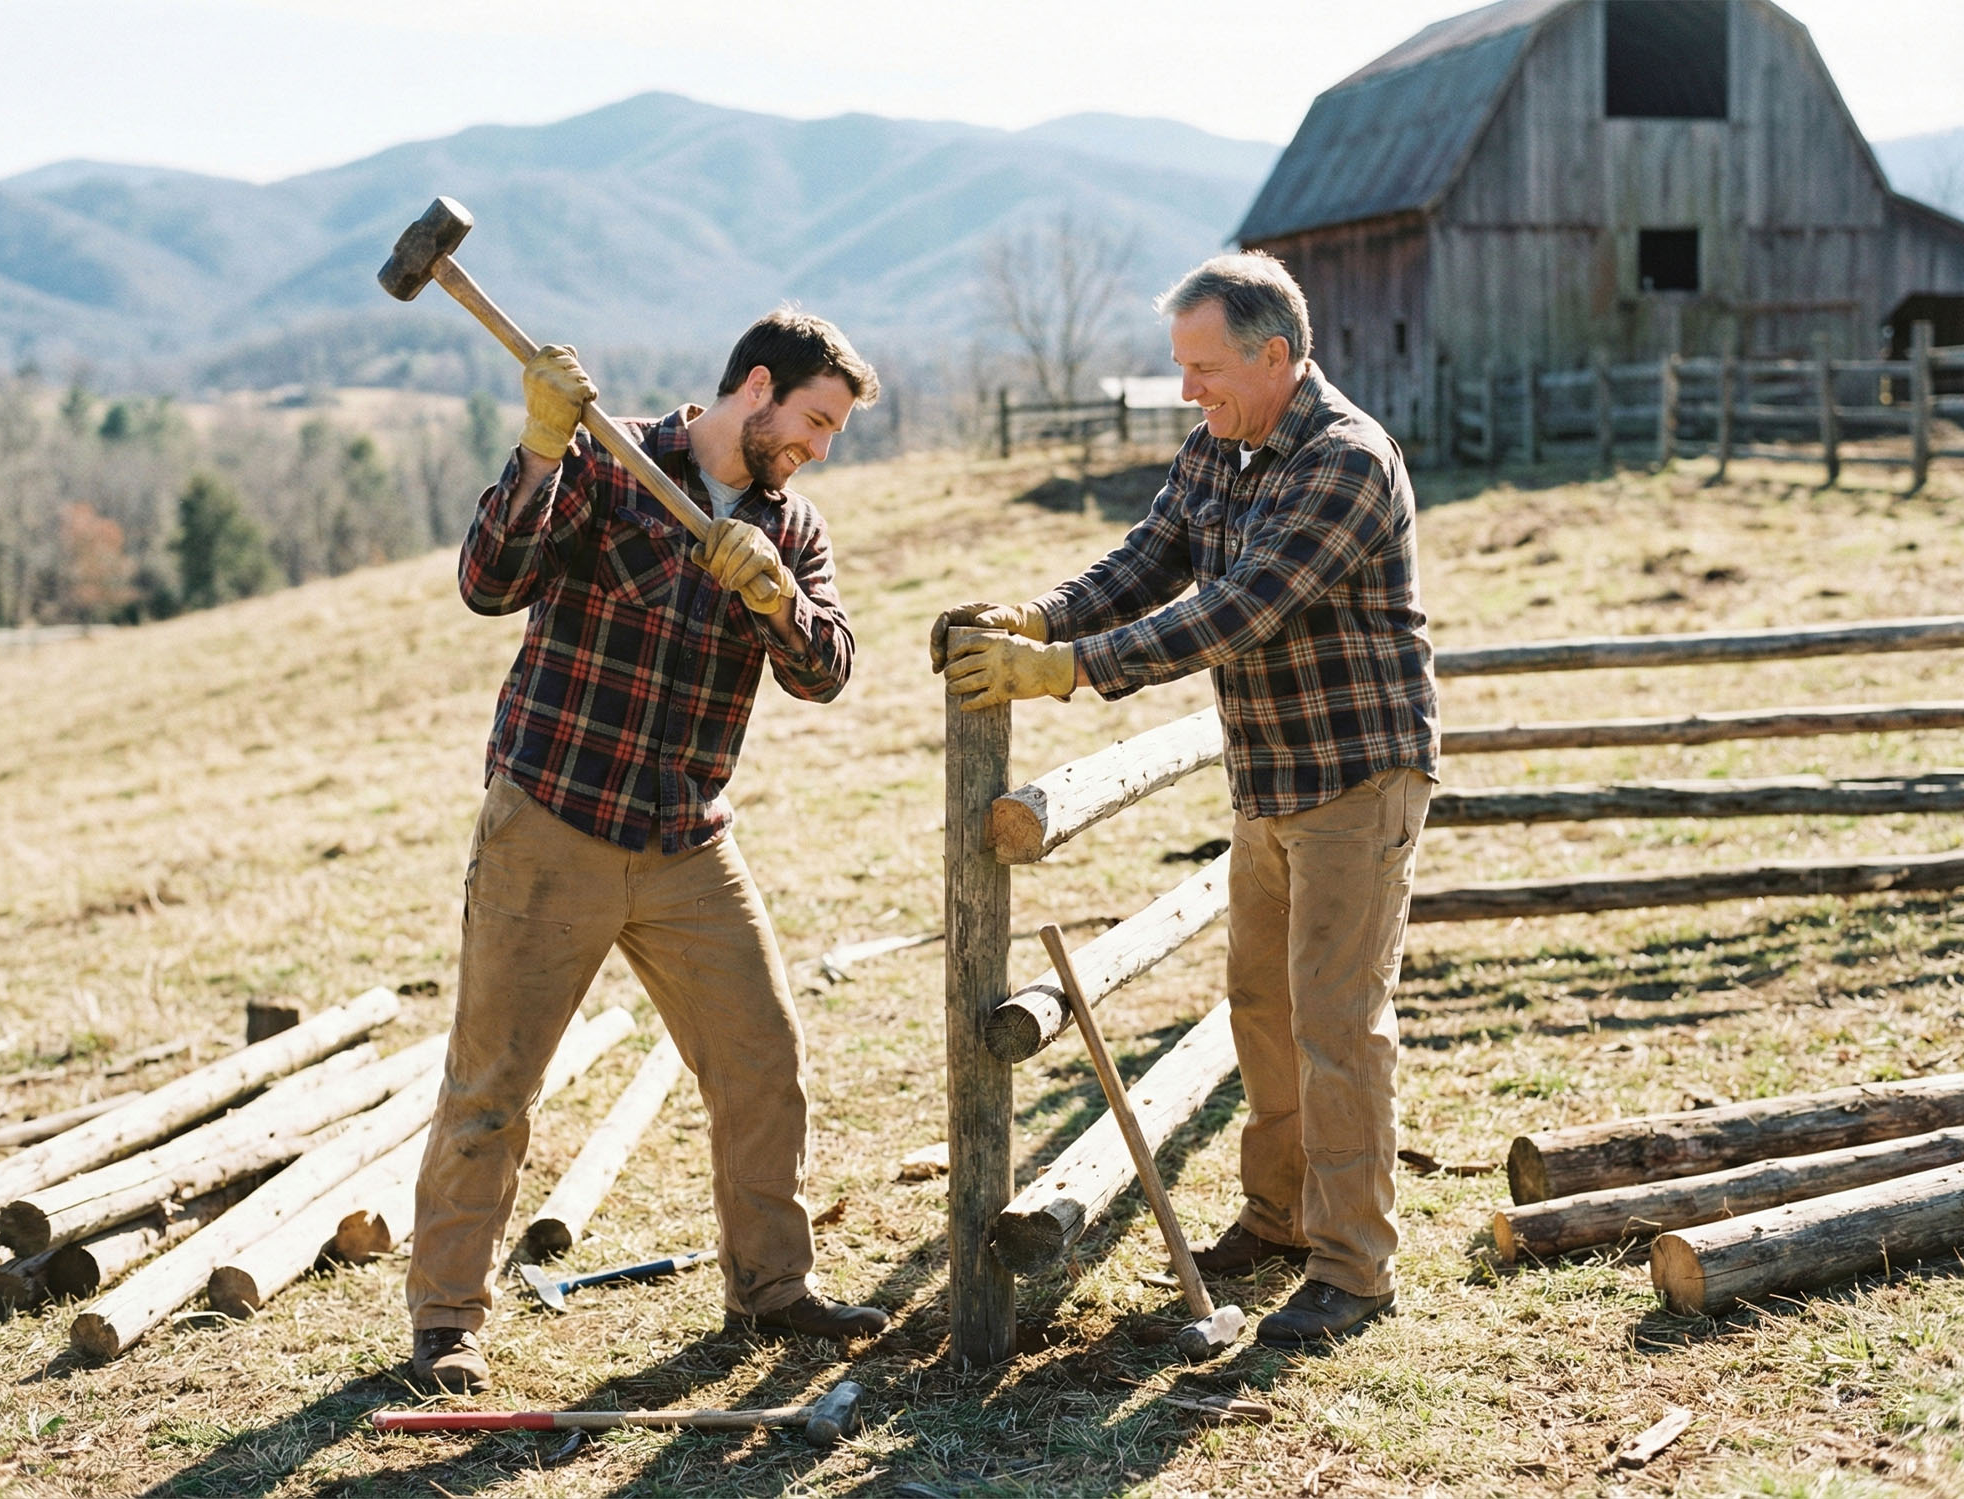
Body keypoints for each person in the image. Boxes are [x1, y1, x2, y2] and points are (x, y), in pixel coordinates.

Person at [934, 253, 1439, 1348]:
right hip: (1269, 776)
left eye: (1203, 367)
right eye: (1180, 367)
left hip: (1355, 775)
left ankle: (1354, 1265)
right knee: (1261, 1004)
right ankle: (1279, 1217)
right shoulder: (1222, 445)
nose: (1187, 390)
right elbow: (1146, 559)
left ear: (1274, 355)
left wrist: (1064, 670)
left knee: (1336, 1022)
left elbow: (1236, 609)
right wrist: (1038, 617)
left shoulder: (1343, 459)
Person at [408, 308, 889, 1394]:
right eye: (812, 421)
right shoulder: (607, 459)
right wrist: (538, 446)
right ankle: (444, 1319)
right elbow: (489, 582)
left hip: (686, 839)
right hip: (552, 823)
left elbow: (828, 669)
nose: (816, 447)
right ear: (755, 386)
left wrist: (770, 593)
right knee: (493, 1081)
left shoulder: (790, 525)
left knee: (761, 1058)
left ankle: (770, 1286)